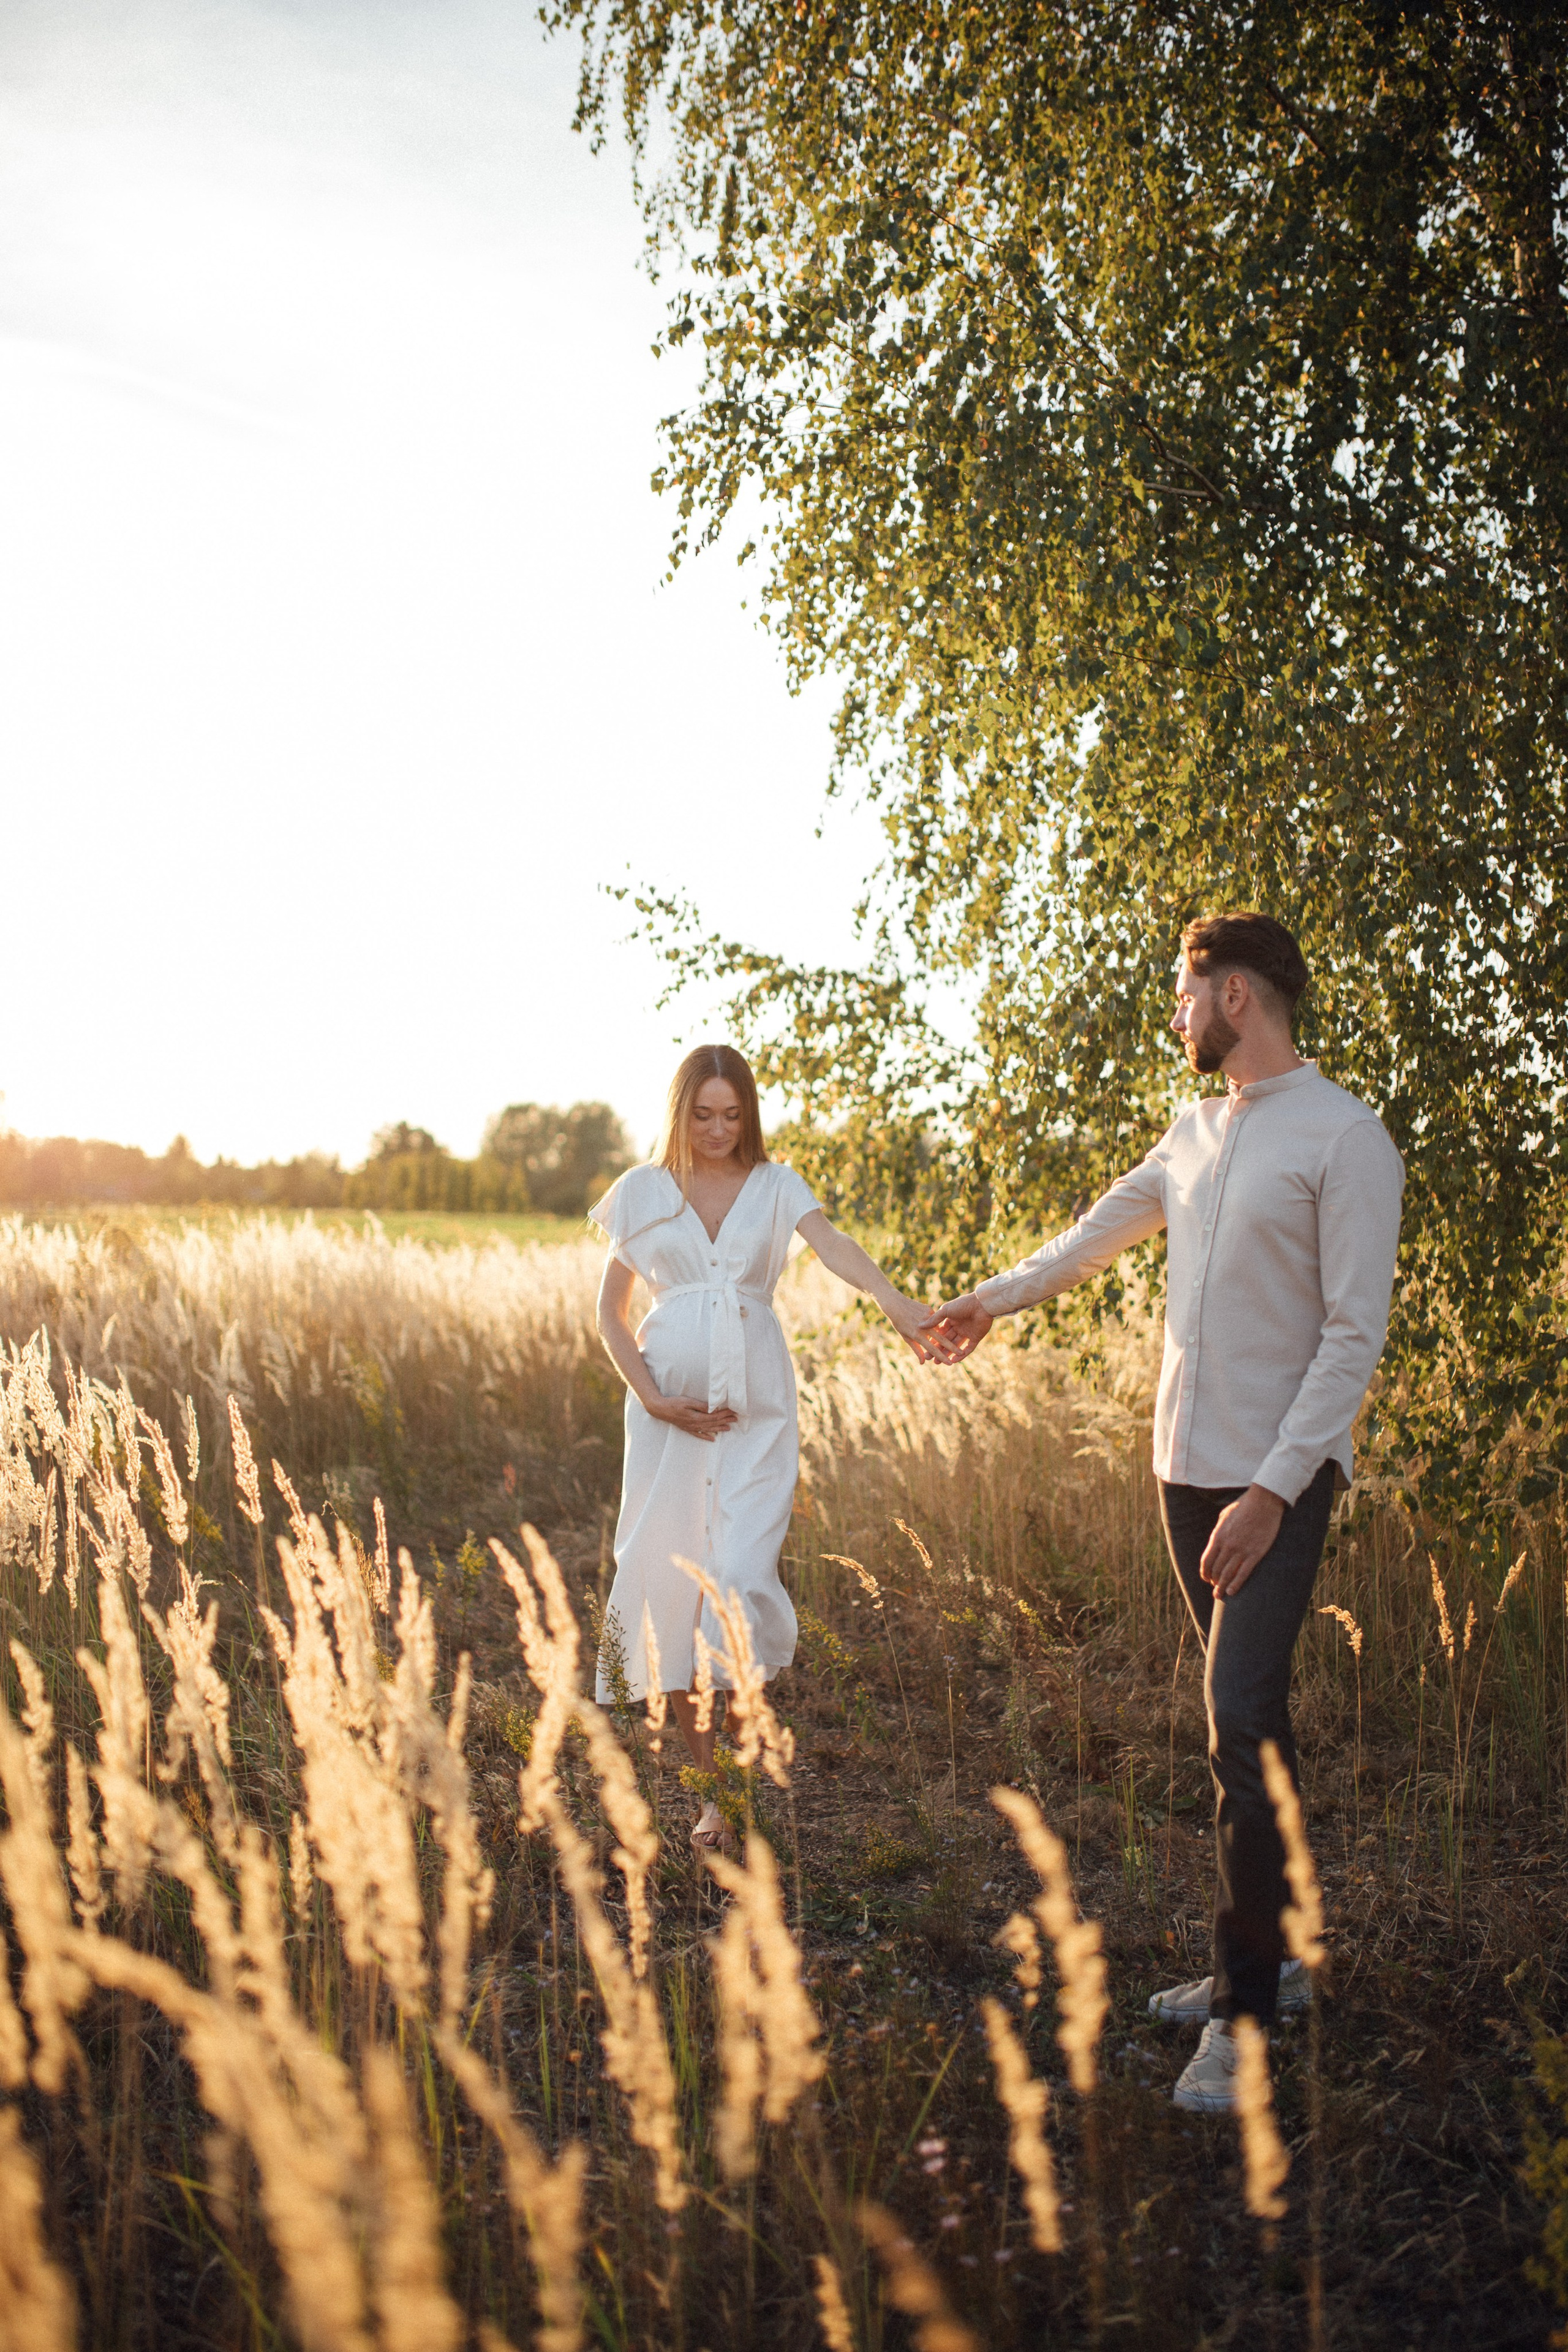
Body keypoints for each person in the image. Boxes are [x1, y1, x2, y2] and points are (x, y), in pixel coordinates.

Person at [932, 913, 1404, 2113]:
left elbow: (1351, 1337)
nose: (1174, 1014)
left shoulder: (1343, 1139)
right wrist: (984, 1303)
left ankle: (1243, 2022)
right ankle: (1275, 1959)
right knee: (1246, 1723)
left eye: (1183, 995)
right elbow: (1088, 1241)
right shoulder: (1190, 1135)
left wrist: (1269, 1490)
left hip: (1274, 1481)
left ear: (1234, 995)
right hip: (1180, 1473)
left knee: (1235, 1725)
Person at [592, 1042, 938, 1852]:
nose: (718, 1129)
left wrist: (894, 1300)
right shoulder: (641, 1193)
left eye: (732, 1113)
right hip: (666, 1424)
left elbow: (836, 1246)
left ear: (748, 1113)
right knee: (673, 1593)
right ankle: (715, 1796)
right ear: (680, 1111)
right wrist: (654, 1397)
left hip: (756, 1420)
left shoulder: (778, 1187)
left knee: (738, 1583)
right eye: (703, 1113)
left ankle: (740, 1764)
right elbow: (609, 1313)